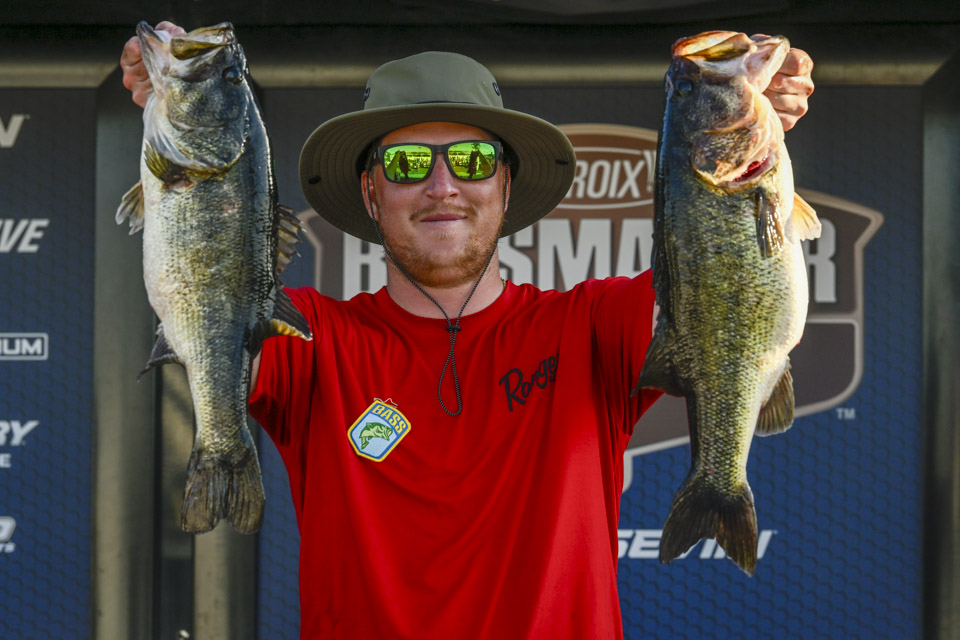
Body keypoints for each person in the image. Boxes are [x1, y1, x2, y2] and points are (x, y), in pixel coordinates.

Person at [122, 23, 814, 639]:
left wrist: (748, 119)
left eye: (473, 161)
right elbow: (213, 302)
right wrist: (185, 119)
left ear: (505, 186)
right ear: (371, 192)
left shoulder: (594, 324)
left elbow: (723, 274)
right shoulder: (309, 337)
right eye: (407, 164)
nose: (443, 186)